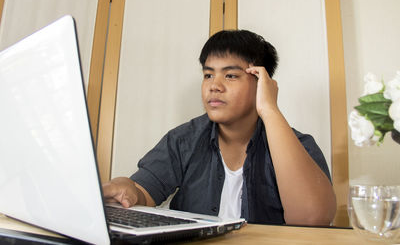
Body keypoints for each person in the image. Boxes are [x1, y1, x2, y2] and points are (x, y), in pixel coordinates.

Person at [102, 30, 336, 225]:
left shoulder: (298, 145)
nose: (214, 86)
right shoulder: (183, 140)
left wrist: (270, 109)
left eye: (231, 75)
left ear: (262, 83)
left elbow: (312, 219)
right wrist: (128, 190)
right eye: (208, 75)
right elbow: (143, 193)